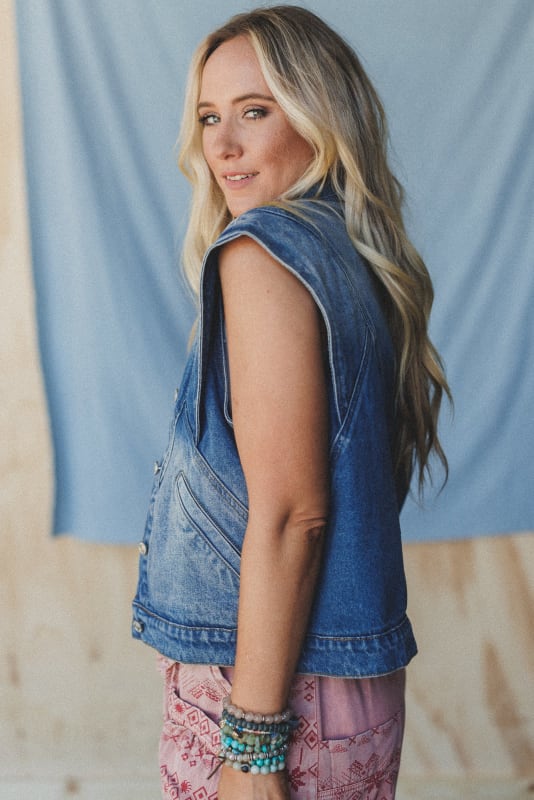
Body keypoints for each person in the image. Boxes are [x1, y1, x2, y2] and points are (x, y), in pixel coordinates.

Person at [132, 6, 450, 799]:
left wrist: (252, 745)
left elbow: (291, 516)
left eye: (255, 111)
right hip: (346, 687)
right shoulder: (347, 252)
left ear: (319, 117)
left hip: (274, 693)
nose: (222, 146)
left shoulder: (263, 255)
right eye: (210, 116)